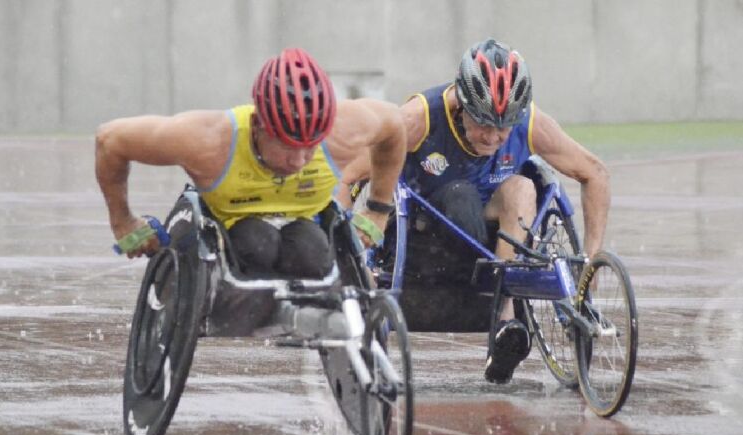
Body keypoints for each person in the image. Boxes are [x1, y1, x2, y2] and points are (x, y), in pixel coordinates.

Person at [95, 48, 406, 284]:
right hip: (232, 231)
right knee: (258, 243)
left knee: (311, 254)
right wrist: (123, 221)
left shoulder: (344, 130)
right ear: (258, 125)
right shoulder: (209, 140)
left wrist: (377, 210)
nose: (298, 161)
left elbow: (394, 124)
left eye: (310, 147)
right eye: (286, 146)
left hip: (306, 228)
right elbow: (110, 140)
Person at [400, 38, 610, 384]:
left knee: (524, 187)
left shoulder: (529, 123)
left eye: (504, 126)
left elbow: (595, 173)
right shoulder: (420, 116)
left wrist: (591, 258)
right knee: (461, 195)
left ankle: (506, 322)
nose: (494, 136)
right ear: (461, 105)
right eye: (483, 123)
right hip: (431, 226)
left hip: (496, 227)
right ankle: (499, 299)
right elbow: (366, 162)